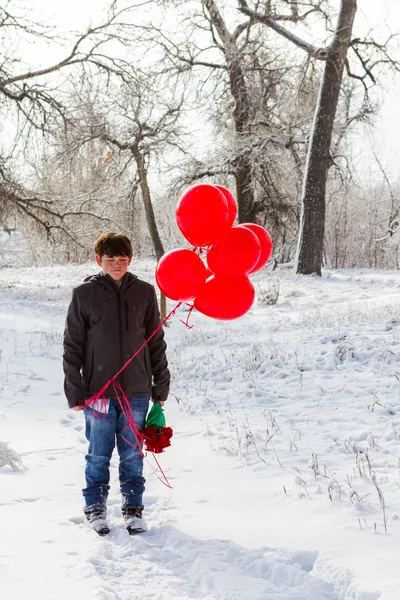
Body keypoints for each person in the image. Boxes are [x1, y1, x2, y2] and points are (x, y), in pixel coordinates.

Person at [63, 232, 170, 535]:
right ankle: (95, 508)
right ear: (99, 260)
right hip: (98, 392)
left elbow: (155, 342)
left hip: (136, 389)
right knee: (98, 452)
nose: (117, 264)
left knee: (133, 452)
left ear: (130, 259)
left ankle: (133, 508)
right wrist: (74, 389)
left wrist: (161, 385)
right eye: (110, 259)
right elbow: (72, 345)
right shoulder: (83, 295)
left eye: (122, 258)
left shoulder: (145, 293)